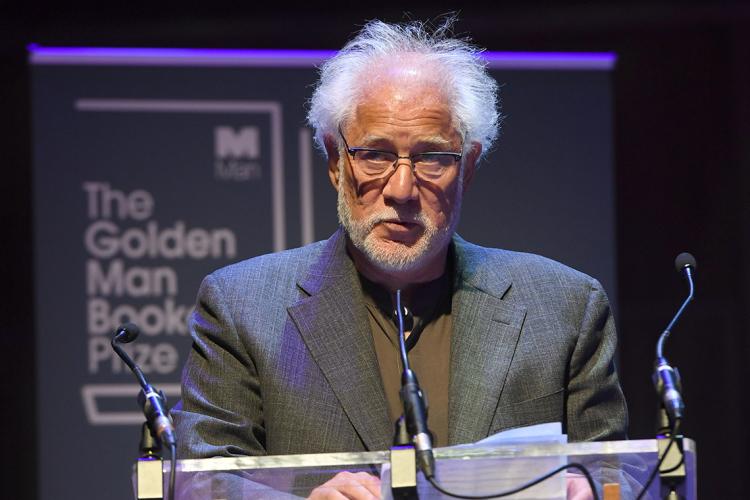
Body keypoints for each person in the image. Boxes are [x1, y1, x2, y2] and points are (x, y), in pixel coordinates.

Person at [172, 18, 627, 499]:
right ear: (334, 160)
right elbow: (203, 482)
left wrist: (593, 487)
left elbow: (622, 472)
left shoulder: (564, 307)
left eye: (432, 157)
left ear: (467, 166)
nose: (402, 189)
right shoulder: (242, 307)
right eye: (375, 154)